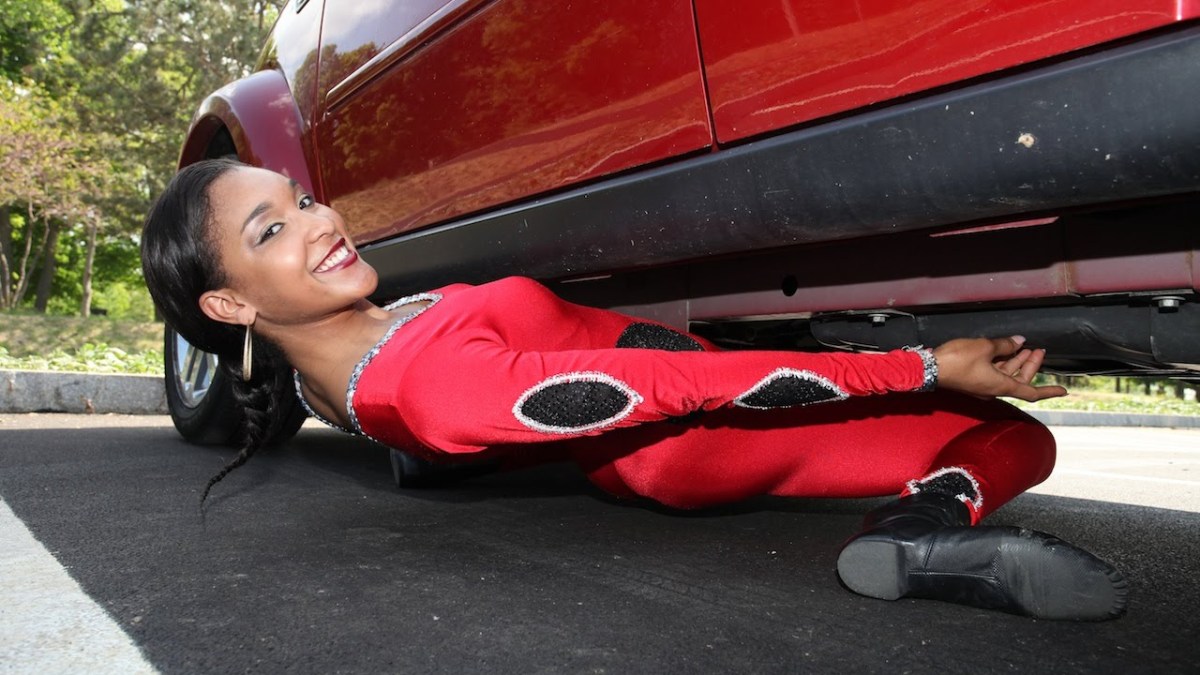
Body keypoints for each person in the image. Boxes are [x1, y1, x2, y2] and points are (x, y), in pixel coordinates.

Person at [141, 158, 1127, 621]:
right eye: (273, 232)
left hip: (635, 421)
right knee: (1012, 435)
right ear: (230, 304)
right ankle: (916, 532)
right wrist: (923, 366)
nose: (320, 222)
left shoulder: (342, 359)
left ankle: (921, 523)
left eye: (300, 198)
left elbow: (374, 403)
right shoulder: (433, 387)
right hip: (689, 437)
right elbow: (691, 385)